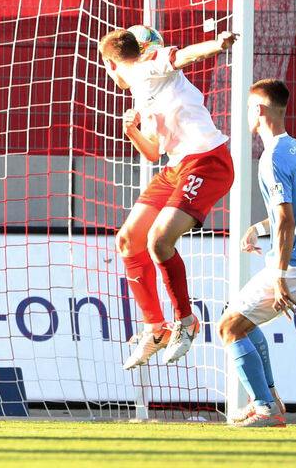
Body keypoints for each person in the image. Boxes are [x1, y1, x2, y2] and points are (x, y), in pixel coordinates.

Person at [98, 28, 239, 369]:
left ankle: (186, 322)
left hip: (208, 161)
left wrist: (217, 45)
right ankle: (154, 328)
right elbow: (152, 152)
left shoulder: (148, 67)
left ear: (110, 62)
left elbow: (183, 55)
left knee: (159, 241)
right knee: (129, 240)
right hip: (178, 166)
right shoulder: (142, 92)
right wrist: (131, 131)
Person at [217, 79, 296, 427]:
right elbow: (287, 215)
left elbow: (288, 222)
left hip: (295, 263)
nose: (245, 114)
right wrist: (257, 228)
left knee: (229, 327)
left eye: (248, 108)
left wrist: (279, 277)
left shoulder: (272, 157)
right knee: (238, 320)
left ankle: (265, 407)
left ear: (259, 110)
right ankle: (270, 400)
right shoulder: (294, 148)